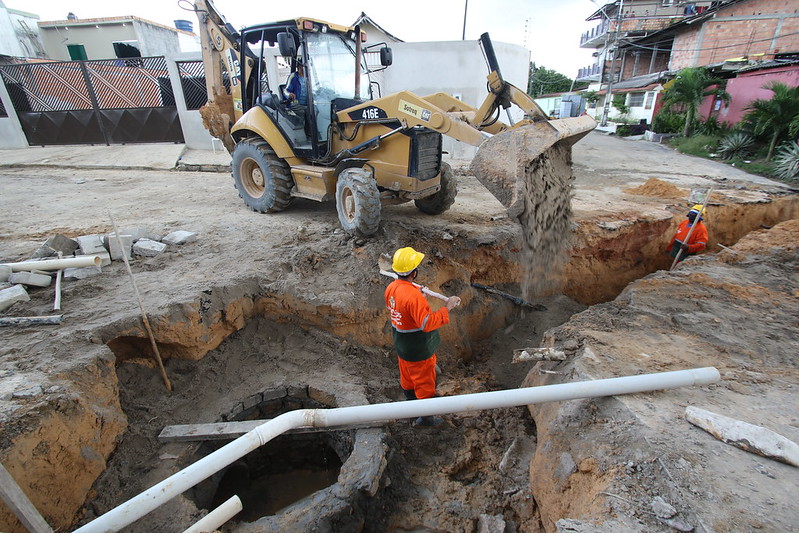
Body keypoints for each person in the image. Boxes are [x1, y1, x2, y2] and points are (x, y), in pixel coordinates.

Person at [385, 247, 461, 427]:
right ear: (414, 272)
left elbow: (399, 309)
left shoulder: (391, 288)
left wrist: (416, 296)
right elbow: (427, 324)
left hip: (403, 344)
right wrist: (447, 307)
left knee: (407, 375)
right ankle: (425, 419)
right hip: (419, 348)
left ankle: (411, 406)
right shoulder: (413, 296)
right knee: (424, 381)